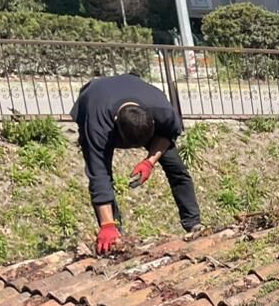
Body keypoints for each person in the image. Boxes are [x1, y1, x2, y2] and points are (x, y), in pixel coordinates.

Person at [70, 74, 200, 255]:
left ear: (152, 121)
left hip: (139, 109)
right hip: (95, 99)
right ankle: (113, 236)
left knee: (177, 169)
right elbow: (98, 174)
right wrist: (107, 224)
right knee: (103, 177)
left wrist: (150, 161)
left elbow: (167, 135)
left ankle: (194, 224)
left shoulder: (162, 110)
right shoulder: (97, 124)